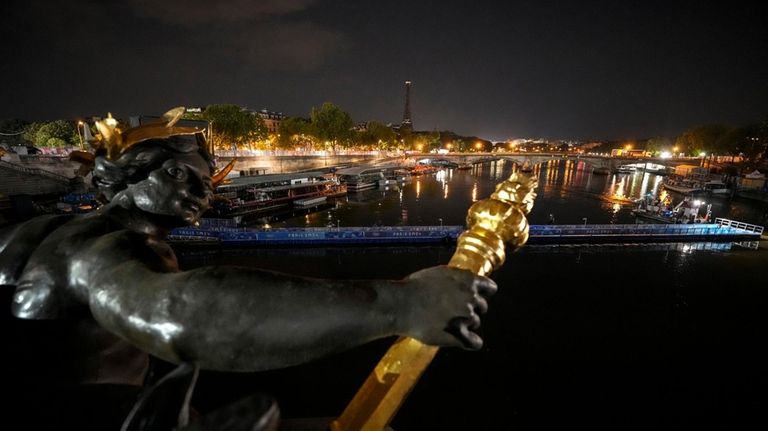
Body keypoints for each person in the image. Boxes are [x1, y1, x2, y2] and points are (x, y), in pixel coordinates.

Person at [0, 109, 496, 430]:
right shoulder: (116, 248)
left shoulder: (39, 231)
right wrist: (402, 303)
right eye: (179, 175)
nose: (200, 192)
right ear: (132, 172)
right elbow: (179, 313)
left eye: (206, 184)